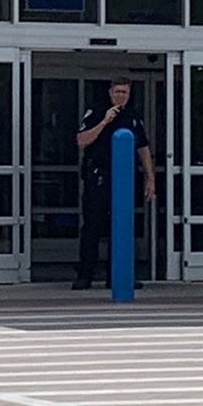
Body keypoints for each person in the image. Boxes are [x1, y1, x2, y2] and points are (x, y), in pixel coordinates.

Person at [72, 78, 155, 290]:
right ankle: (85, 275)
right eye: (117, 92)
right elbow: (81, 141)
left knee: (122, 227)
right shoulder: (97, 111)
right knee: (93, 227)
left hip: (125, 180)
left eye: (124, 92)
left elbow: (143, 148)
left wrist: (150, 177)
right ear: (110, 92)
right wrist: (104, 122)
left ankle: (118, 275)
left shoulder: (133, 116)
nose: (120, 96)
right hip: (99, 178)